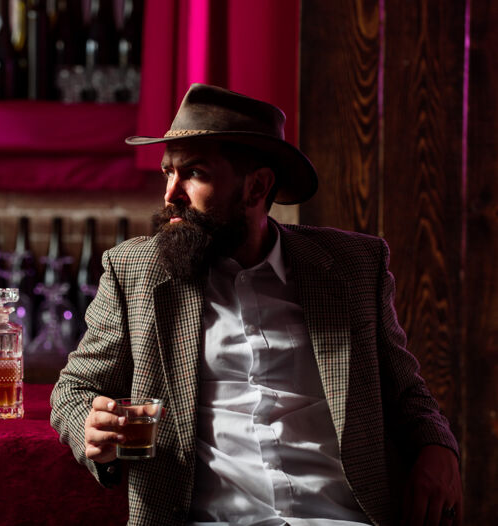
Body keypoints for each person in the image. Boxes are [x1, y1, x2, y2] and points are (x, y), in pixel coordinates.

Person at [50, 83, 461, 526]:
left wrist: (439, 447)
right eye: (168, 172)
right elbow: (72, 391)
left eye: (194, 173)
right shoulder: (135, 272)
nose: (171, 193)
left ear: (257, 186)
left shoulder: (354, 268)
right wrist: (89, 429)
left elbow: (406, 392)